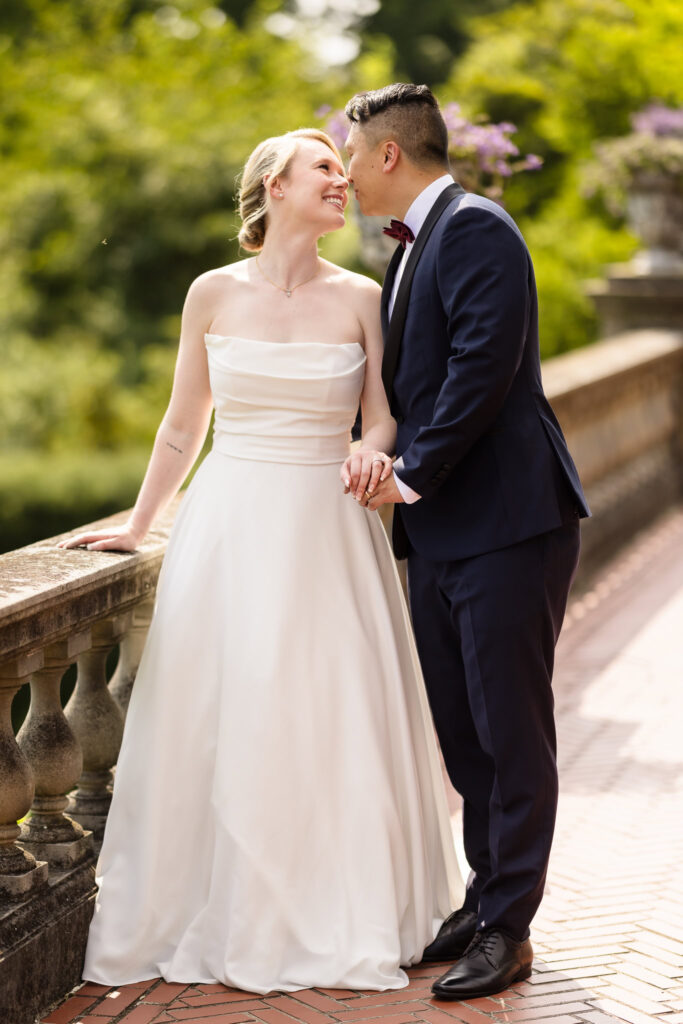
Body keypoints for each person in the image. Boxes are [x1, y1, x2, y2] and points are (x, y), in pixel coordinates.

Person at [58, 127, 463, 994]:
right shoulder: (210, 292)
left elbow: (384, 416)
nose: (339, 180)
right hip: (230, 522)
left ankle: (334, 906)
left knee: (326, 706)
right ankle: (217, 903)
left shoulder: (362, 295)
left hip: (329, 522)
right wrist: (139, 524)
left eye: (340, 167)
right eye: (322, 167)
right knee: (225, 705)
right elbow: (182, 423)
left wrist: (374, 452)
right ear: (273, 185)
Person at [343, 84, 589, 1001]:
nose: (348, 170)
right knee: (463, 734)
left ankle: (509, 928)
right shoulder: (406, 249)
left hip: (508, 523)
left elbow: (484, 368)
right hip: (443, 532)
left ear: (390, 155)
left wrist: (406, 475)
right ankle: (485, 896)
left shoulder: (477, 227)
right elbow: (411, 384)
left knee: (509, 731)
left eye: (353, 152)